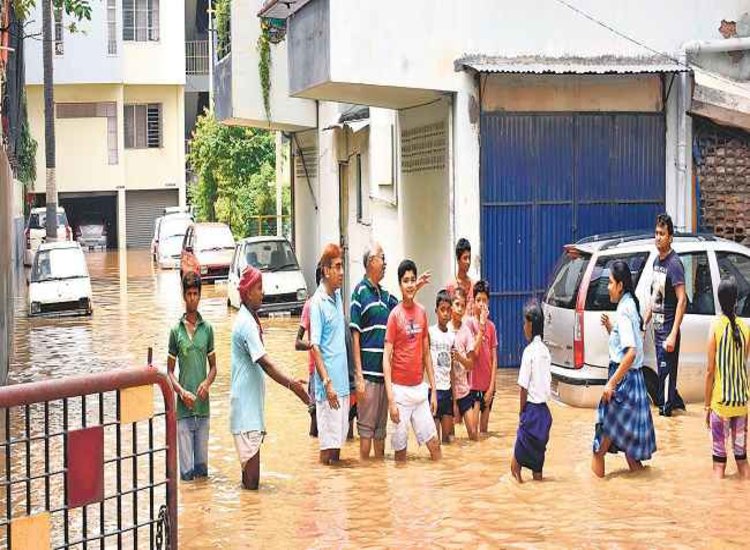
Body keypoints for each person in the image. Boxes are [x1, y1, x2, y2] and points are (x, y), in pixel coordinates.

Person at [230, 266, 309, 490]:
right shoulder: (246, 324)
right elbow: (265, 363)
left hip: (248, 411)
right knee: (252, 485)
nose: (263, 293)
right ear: (247, 293)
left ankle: (248, 522)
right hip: (246, 413)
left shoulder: (250, 319)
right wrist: (292, 385)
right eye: (259, 288)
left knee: (249, 484)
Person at [350, 242, 429, 459]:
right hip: (367, 376)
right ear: (370, 262)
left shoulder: (386, 296)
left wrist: (416, 286)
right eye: (382, 258)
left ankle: (377, 485)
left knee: (380, 435)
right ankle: (366, 479)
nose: (385, 263)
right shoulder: (359, 292)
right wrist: (358, 375)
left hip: (386, 379)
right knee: (365, 433)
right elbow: (355, 334)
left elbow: (404, 305)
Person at [592, 260, 656, 478]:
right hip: (633, 382)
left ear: (620, 285)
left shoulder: (625, 310)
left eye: (610, 282)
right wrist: (612, 329)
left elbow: (631, 353)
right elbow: (629, 346)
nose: (607, 287)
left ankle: (597, 502)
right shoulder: (629, 305)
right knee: (631, 455)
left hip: (623, 385)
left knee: (598, 449)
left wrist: (611, 383)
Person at [383, 259, 441, 461]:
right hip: (399, 393)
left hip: (419, 391)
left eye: (412, 280)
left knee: (435, 448)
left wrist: (433, 390)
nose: (409, 284)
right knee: (400, 455)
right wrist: (391, 400)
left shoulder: (422, 313)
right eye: (405, 280)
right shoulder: (394, 316)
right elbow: (386, 359)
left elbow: (426, 354)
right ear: (400, 284)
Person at [167, 272, 217, 482]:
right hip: (184, 412)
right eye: (189, 294)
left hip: (203, 409)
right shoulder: (175, 331)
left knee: (203, 474)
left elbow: (214, 367)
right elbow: (169, 371)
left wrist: (206, 383)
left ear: (200, 295)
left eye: (196, 294)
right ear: (184, 295)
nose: (193, 298)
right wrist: (181, 392)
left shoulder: (208, 330)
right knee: (186, 476)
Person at [704, 277, 749, 480]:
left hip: (721, 404)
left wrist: (706, 407)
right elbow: (743, 361)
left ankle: (720, 507)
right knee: (742, 459)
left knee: (719, 465)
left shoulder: (715, 328)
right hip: (741, 403)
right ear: (736, 301)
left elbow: (709, 371)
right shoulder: (746, 328)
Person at [310, 244, 350, 465]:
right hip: (329, 390)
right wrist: (327, 383)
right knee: (327, 451)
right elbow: (315, 347)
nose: (342, 271)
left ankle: (336, 496)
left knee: (337, 449)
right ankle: (326, 494)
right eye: (337, 266)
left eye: (342, 265)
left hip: (342, 387)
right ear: (326, 271)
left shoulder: (337, 297)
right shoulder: (317, 303)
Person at [644, 213, 687, 417]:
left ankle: (668, 415)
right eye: (656, 233)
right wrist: (644, 320)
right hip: (657, 331)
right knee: (664, 380)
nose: (658, 237)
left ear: (670, 237)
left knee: (665, 403)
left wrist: (673, 333)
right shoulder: (656, 262)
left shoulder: (674, 264)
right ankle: (678, 409)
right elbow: (655, 296)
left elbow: (682, 300)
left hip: (668, 333)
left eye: (662, 234)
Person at [511, 302, 553, 483]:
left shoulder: (529, 352)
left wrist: (522, 412)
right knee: (537, 467)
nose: (523, 327)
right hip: (544, 415)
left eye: (524, 323)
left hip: (532, 412)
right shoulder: (546, 352)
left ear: (530, 325)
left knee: (515, 466)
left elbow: (523, 387)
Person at [466, 280, 498, 435]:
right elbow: (474, 352)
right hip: (473, 385)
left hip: (487, 385)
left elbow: (494, 358)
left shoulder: (492, 327)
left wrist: (492, 386)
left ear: (489, 302)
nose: (481, 304)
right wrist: (481, 325)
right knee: (473, 433)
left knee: (484, 431)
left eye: (484, 300)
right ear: (473, 302)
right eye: (478, 300)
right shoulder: (470, 325)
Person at [296, 265, 322, 437]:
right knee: (315, 417)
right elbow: (297, 342)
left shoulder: (335, 304)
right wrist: (314, 345)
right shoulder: (310, 305)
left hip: (333, 369)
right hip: (316, 370)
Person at [449, 288, 479, 440]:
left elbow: (471, 365)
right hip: (447, 391)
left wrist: (460, 358)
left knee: (473, 434)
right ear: (451, 305)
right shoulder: (445, 330)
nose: (460, 309)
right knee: (450, 439)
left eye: (463, 305)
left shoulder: (466, 332)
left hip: (463, 390)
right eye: (457, 304)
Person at [429, 289, 456, 443]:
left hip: (447, 391)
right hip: (433, 390)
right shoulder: (430, 333)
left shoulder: (452, 337)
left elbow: (451, 368)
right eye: (442, 310)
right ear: (436, 311)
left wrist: (454, 397)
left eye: (448, 310)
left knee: (447, 439)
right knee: (435, 439)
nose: (445, 313)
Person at [446, 238, 475, 317]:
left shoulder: (474, 285)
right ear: (458, 260)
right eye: (465, 258)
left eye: (469, 258)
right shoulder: (451, 285)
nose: (468, 262)